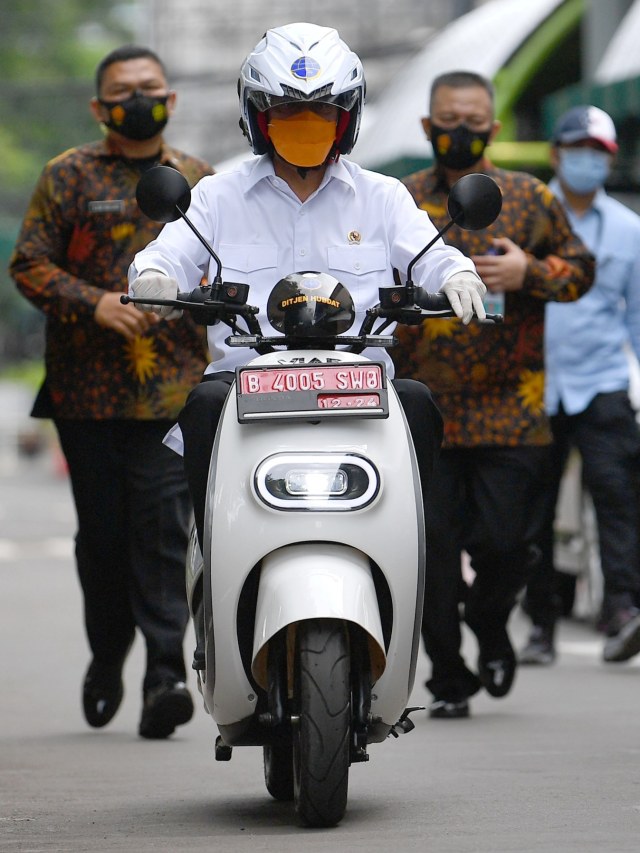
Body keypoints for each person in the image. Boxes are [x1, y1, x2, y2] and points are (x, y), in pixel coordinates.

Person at [127, 24, 488, 592]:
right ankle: (214, 563)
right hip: (248, 388)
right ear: (257, 119)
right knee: (202, 402)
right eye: (288, 116)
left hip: (360, 390)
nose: (306, 130)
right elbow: (164, 256)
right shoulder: (217, 196)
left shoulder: (383, 196)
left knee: (417, 401)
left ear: (346, 120)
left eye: (321, 116)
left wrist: (460, 273)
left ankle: (409, 555)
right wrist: (154, 277)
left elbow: (432, 255)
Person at [9, 45, 213, 739]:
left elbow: (228, 270)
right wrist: (94, 302)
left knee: (163, 531)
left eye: (150, 88)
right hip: (86, 396)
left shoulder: (199, 180)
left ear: (171, 98)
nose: (138, 99)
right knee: (101, 542)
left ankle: (165, 673)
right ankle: (108, 654)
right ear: (99, 107)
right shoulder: (67, 176)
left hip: (173, 394)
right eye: (123, 91)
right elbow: (28, 264)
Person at [391, 71, 594, 719]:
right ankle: (448, 675)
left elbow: (581, 270)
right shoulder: (395, 201)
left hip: (512, 410)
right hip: (422, 411)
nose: (461, 130)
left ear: (494, 128)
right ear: (427, 127)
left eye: (474, 120)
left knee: (508, 548)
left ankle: (490, 622)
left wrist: (527, 271)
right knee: (432, 555)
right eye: (448, 118)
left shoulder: (531, 198)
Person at [519, 105, 640, 666]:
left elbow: (637, 316)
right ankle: (541, 622)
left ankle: (622, 610)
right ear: (556, 154)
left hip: (602, 383)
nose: (588, 161)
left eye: (598, 153)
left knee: (617, 497)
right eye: (578, 150)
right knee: (534, 509)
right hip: (534, 384)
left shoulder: (628, 229)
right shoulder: (527, 215)